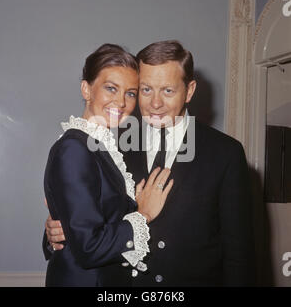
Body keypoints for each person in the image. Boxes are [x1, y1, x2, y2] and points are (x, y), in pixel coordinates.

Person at [44, 40, 255, 286]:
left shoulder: (225, 153)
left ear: (189, 90)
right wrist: (56, 232)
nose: (155, 103)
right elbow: (91, 220)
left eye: (167, 90)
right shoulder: (115, 147)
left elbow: (240, 255)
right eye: (145, 90)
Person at [42, 43, 173, 287]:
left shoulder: (104, 147)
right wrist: (143, 214)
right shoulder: (74, 148)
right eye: (111, 88)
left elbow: (92, 216)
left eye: (131, 93)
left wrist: (60, 228)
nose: (121, 102)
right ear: (86, 89)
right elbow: (89, 248)